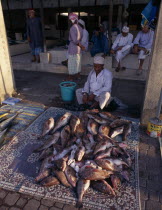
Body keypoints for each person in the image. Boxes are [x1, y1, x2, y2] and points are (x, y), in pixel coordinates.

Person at [66, 13, 83, 81]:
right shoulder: (80, 28)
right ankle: (78, 76)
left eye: (71, 19)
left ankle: (71, 77)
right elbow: (80, 39)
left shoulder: (72, 28)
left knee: (71, 63)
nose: (71, 20)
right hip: (79, 49)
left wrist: (78, 44)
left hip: (73, 48)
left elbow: (74, 40)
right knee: (78, 62)